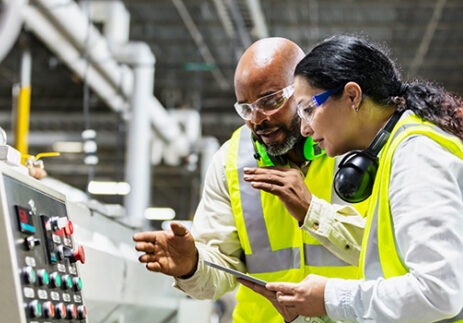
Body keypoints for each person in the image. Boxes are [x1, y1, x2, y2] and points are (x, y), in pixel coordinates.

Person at [239, 35, 463, 322]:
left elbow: (437, 293)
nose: (305, 129)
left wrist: (329, 297)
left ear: (353, 96)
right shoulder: (397, 152)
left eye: (308, 109)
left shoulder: (418, 157)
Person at [133, 37, 368, 323]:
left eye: (270, 101)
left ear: (303, 91)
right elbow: (217, 271)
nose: (257, 120)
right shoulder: (230, 163)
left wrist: (313, 212)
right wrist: (191, 266)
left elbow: (389, 251)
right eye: (246, 108)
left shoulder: (356, 147)